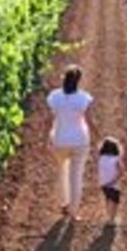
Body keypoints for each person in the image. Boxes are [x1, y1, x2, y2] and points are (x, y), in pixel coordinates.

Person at [47, 65, 93, 219]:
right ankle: (74, 211)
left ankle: (65, 202)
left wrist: (47, 137)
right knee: (76, 177)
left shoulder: (55, 96)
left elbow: (49, 119)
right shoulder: (83, 98)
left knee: (62, 172)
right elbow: (89, 121)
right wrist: (100, 137)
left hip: (60, 139)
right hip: (79, 140)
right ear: (78, 81)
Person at [97, 137, 123, 225]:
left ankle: (109, 216)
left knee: (108, 199)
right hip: (114, 184)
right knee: (115, 201)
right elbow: (120, 171)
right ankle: (112, 219)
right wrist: (115, 180)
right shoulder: (116, 159)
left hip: (103, 183)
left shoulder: (101, 158)